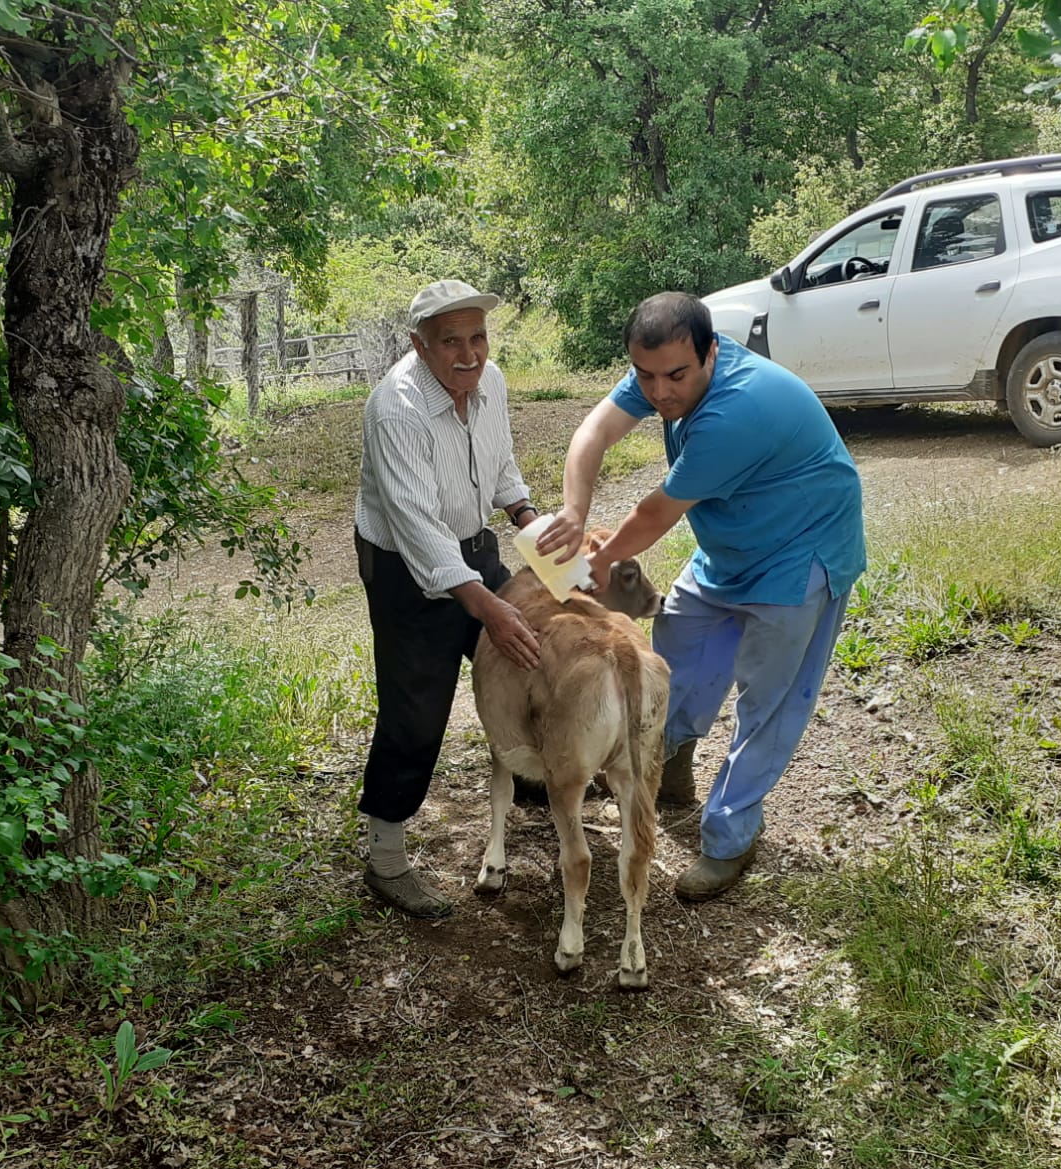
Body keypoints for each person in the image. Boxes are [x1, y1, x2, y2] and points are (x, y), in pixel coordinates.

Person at [539, 292, 866, 901]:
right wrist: (575, 511)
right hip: (731, 549)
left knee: (767, 704)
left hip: (801, 554)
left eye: (676, 377)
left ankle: (730, 838)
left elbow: (655, 513)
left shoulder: (734, 411)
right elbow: (592, 433)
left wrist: (596, 559)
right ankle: (672, 763)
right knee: (675, 657)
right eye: (647, 376)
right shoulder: (663, 366)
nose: (660, 392)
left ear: (711, 353)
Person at [354, 279, 546, 918]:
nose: (469, 355)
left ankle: (537, 778)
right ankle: (385, 858)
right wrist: (486, 607)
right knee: (417, 704)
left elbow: (502, 467)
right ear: (419, 345)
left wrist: (525, 515)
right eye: (450, 342)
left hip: (472, 544)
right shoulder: (395, 409)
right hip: (403, 564)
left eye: (478, 337)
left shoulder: (491, 385)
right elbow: (418, 529)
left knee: (529, 653)